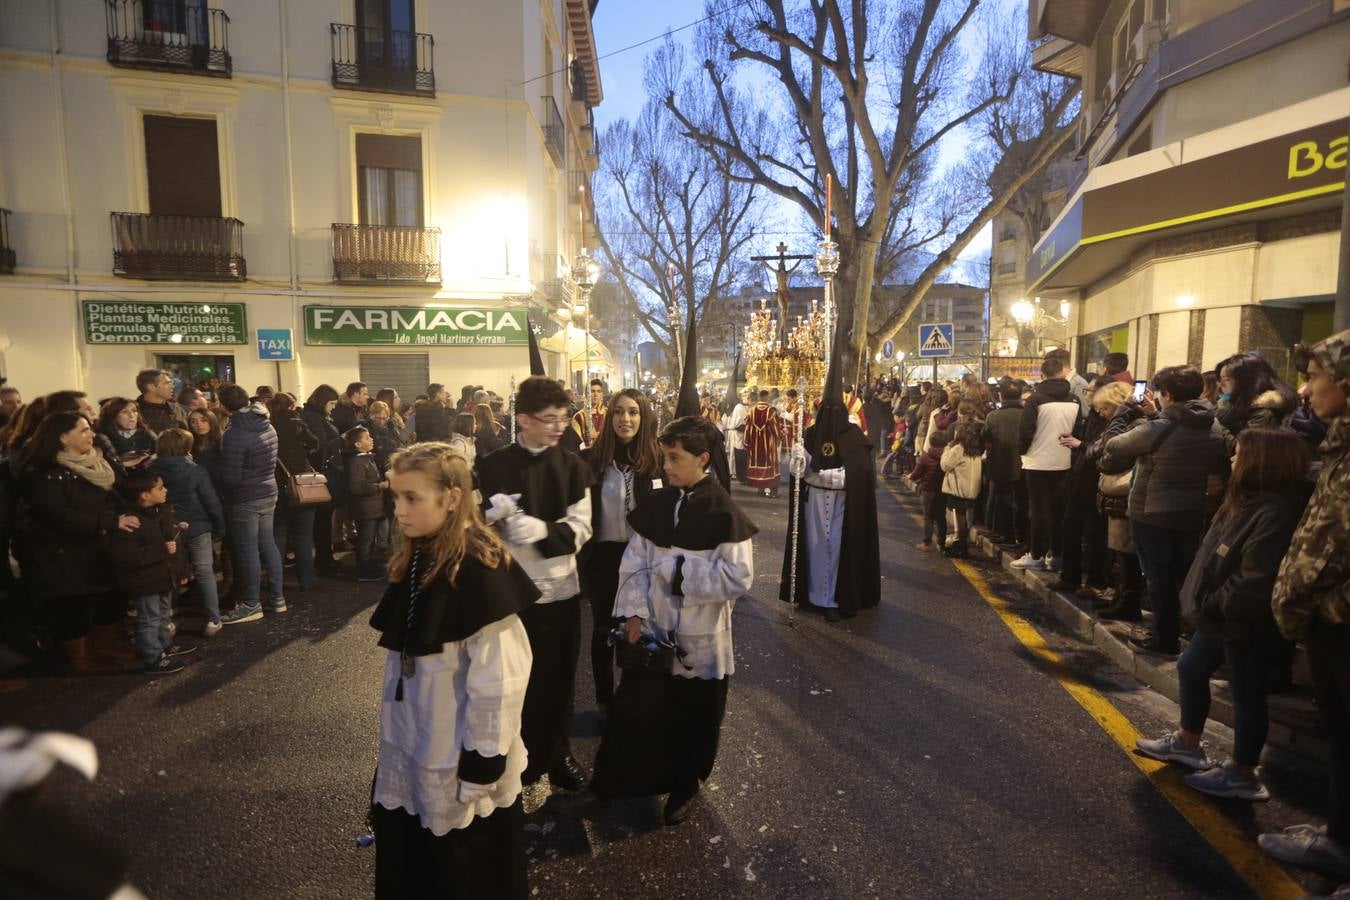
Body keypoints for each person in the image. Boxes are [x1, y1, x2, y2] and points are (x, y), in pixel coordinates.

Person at [368, 443, 537, 899]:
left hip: (456, 754)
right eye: (395, 497)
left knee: (463, 871)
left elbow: (500, 681)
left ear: (452, 497)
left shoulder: (481, 570)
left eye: (411, 498)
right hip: (419, 736)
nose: (398, 510)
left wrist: (483, 760)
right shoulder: (421, 555)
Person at [594, 415, 756, 826]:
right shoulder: (659, 504)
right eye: (665, 457)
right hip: (654, 631)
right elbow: (633, 562)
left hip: (700, 639)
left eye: (674, 458)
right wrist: (633, 612)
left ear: (702, 459)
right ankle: (612, 787)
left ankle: (686, 784)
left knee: (694, 717)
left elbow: (739, 577)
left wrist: (678, 573)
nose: (665, 466)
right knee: (639, 712)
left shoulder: (723, 510)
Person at [1135, 428, 1309, 801]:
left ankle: (1244, 773)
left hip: (1242, 620)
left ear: (1261, 463)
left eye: (1239, 455)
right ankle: (1188, 742)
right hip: (1219, 614)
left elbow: (1254, 578)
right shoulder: (1245, 501)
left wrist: (1214, 603)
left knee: (1248, 693)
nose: (1232, 461)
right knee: (1191, 667)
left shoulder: (1274, 512)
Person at [1260, 330, 1350, 883]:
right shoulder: (1337, 443)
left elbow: (1328, 547)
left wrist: (1290, 609)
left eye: (1315, 376)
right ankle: (1338, 839)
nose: (1305, 388)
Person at [477, 375, 594, 791]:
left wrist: (542, 531)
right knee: (511, 679)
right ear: (523, 419)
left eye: (563, 418)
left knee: (558, 677)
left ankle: (558, 754)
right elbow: (475, 524)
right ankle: (514, 753)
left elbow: (582, 528)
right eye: (549, 419)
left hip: (559, 589)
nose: (559, 427)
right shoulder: (493, 465)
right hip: (508, 593)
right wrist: (489, 519)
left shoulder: (574, 466)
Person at [1098, 365, 1228, 656]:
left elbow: (1114, 444)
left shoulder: (1158, 427)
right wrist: (1155, 415)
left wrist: (1124, 412)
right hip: (1192, 508)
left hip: (1152, 510)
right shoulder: (1213, 424)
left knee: (1158, 576)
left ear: (1167, 394)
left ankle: (1163, 636)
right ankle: (1186, 629)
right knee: (1184, 572)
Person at [17, 412, 138, 674]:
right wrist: (109, 523)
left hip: (97, 548)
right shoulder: (43, 472)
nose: (91, 434)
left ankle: (104, 647)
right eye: (83, 430)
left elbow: (112, 497)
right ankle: (81, 659)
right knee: (72, 608)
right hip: (60, 553)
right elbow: (55, 513)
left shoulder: (94, 463)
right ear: (62, 437)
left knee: (111, 597)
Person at [779, 326, 881, 622]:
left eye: (836, 409)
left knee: (837, 550)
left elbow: (860, 473)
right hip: (813, 505)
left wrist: (831, 477)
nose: (831, 415)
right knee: (814, 548)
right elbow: (799, 471)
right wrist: (798, 460)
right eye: (827, 409)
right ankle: (811, 595)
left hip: (842, 506)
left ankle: (835, 597)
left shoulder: (854, 437)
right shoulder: (809, 434)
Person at [579, 389, 662, 709]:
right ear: (609, 417)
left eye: (632, 412)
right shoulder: (591, 460)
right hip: (603, 557)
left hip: (641, 560)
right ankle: (604, 700)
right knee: (602, 632)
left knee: (636, 629)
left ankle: (633, 700)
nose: (624, 419)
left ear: (643, 417)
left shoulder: (655, 462)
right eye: (618, 412)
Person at [108, 470, 194, 674]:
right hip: (144, 580)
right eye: (160, 487)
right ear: (145, 494)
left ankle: (165, 645)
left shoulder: (156, 513)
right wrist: (162, 550)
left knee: (163, 614)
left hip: (160, 576)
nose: (165, 491)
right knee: (149, 618)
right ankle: (152, 658)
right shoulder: (131, 522)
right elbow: (128, 556)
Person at [216, 384, 287, 624]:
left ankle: (251, 603)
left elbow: (232, 476)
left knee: (247, 551)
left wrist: (218, 479)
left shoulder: (235, 433)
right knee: (268, 544)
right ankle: (277, 598)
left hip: (245, 496)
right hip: (269, 491)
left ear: (224, 406)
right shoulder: (266, 423)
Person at [149, 428, 226, 636]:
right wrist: (219, 526)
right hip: (197, 526)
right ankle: (213, 619)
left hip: (167, 528)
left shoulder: (151, 470)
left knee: (171, 572)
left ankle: (167, 620)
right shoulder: (195, 470)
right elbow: (210, 500)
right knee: (204, 571)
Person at [1012, 357, 1080, 571]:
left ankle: (1036, 554)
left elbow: (1025, 431)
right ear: (1062, 372)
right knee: (1059, 510)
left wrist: (1022, 452)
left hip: (1036, 461)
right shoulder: (1074, 400)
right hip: (1063, 461)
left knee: (1039, 510)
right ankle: (1055, 553)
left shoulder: (1035, 400)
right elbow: (1077, 431)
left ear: (1043, 375)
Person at [1054, 378, 1115, 596]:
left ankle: (1096, 581)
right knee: (1070, 528)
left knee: (1095, 535)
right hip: (1079, 480)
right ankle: (1069, 576)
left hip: (1097, 483)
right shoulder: (1093, 416)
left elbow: (1105, 449)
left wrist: (1080, 445)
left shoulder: (1115, 421)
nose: (1087, 394)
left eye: (1090, 390)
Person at [269, 394, 320, 592]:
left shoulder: (270, 425)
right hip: (299, 484)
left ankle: (277, 581)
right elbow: (314, 443)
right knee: (303, 535)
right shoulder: (296, 423)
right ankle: (306, 579)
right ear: (291, 405)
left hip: (278, 484)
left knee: (279, 534)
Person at [300, 384, 343, 575]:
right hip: (320, 475)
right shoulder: (313, 417)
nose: (334, 407)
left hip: (325, 473)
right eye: (332, 403)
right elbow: (320, 448)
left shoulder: (319, 416)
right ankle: (323, 561)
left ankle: (326, 558)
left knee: (324, 519)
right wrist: (343, 440)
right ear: (323, 401)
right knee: (322, 519)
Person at [981, 383, 1024, 544]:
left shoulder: (993, 416)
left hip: (1000, 464)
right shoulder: (1027, 414)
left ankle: (1006, 533)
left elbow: (985, 436)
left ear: (1001, 396)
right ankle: (1021, 535)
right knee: (1021, 501)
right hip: (1024, 464)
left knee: (1003, 500)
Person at [345, 425, 387, 583]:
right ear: (357, 444)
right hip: (365, 508)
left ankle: (368, 565)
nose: (371, 439)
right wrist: (379, 486)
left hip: (372, 507)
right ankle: (364, 571)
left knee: (369, 540)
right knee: (365, 540)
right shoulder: (356, 462)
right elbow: (356, 486)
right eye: (367, 437)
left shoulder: (367, 458)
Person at [939, 422, 983, 559]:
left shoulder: (959, 448)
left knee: (960, 517)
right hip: (970, 489)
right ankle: (962, 546)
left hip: (959, 489)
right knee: (964, 516)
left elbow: (945, 465)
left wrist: (947, 450)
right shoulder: (975, 449)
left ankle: (961, 547)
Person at [910, 430, 949, 551]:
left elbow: (916, 474)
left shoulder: (925, 457)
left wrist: (911, 476)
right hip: (942, 491)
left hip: (927, 490)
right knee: (941, 517)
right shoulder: (947, 456)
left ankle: (927, 543)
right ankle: (941, 542)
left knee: (928, 517)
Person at [743, 389, 782, 497]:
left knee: (759, 464)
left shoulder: (751, 411)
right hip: (768, 445)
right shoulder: (771, 411)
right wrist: (782, 435)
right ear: (767, 397)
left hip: (755, 445)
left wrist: (746, 443)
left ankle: (760, 490)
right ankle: (773, 492)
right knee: (771, 466)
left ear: (759, 397)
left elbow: (747, 428)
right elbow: (775, 428)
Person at [96, 398, 155, 468]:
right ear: (113, 416)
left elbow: (163, 453)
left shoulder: (147, 434)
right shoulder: (103, 440)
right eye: (124, 412)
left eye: (134, 411)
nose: (131, 416)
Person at [135, 369, 185, 435]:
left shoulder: (176, 409)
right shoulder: (134, 411)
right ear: (151, 387)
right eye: (167, 383)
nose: (172, 386)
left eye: (171, 383)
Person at [570, 379, 608, 448]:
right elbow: (576, 444)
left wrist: (598, 435)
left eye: (598, 391)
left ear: (602, 394)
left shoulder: (608, 413)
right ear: (587, 394)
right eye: (592, 391)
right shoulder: (578, 417)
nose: (595, 394)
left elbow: (614, 436)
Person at [724, 391, 749, 484]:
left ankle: (736, 473)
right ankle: (737, 475)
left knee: (736, 455)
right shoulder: (739, 407)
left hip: (740, 434)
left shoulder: (743, 407)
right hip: (738, 434)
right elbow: (738, 424)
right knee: (737, 455)